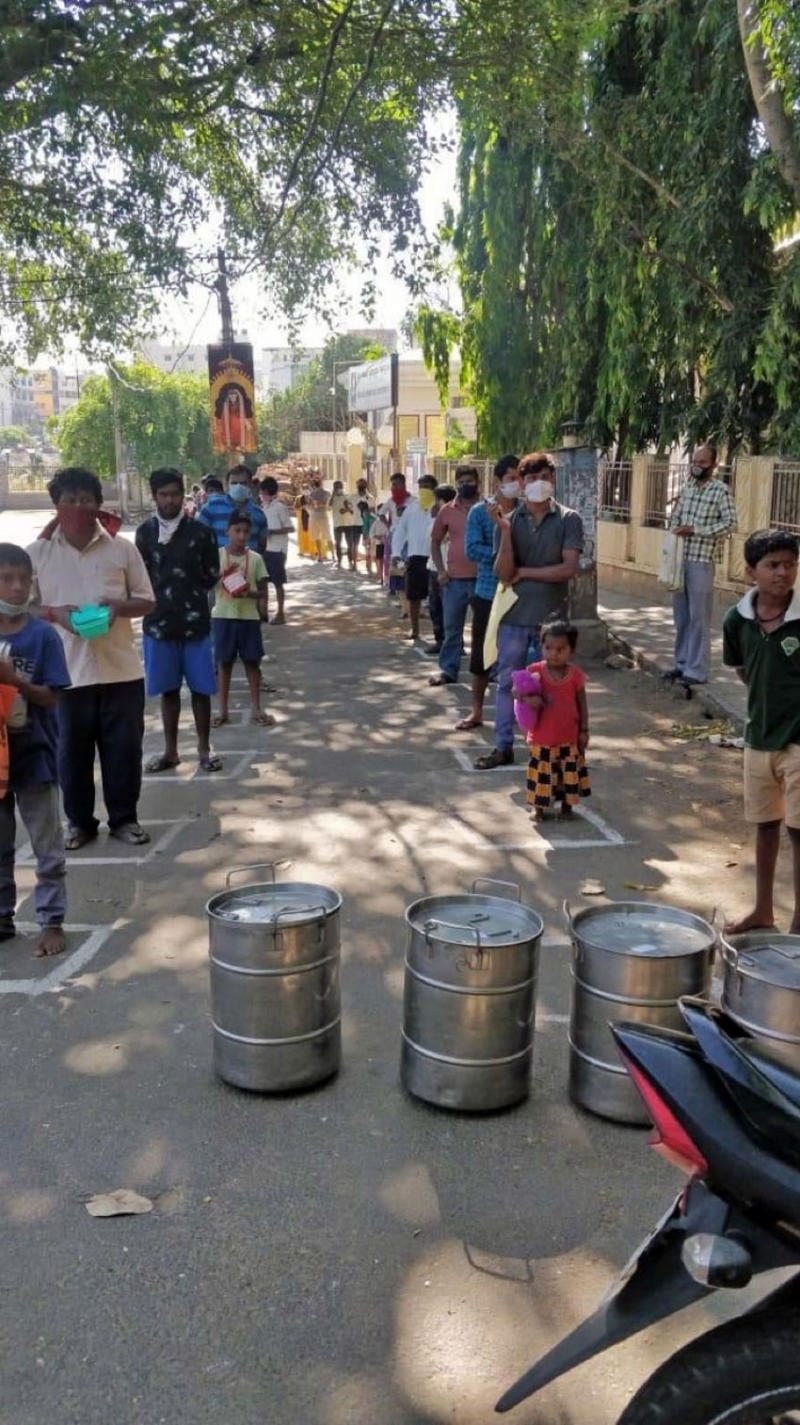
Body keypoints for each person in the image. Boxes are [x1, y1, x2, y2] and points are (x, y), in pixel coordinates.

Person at [28, 466, 155, 849]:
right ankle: (79, 823)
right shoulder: (38, 553)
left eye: (86, 500)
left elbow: (147, 600)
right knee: (71, 756)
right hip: (65, 674)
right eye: (69, 500)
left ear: (99, 504)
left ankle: (125, 820)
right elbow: (22, 607)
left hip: (121, 671)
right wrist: (54, 613)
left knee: (124, 752)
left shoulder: (121, 548)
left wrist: (118, 607)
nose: (78, 507)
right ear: (57, 505)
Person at [475, 453, 583, 769]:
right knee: (508, 682)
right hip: (514, 616)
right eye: (532, 478)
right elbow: (505, 573)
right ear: (521, 483)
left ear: (554, 480)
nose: (539, 484)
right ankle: (503, 746)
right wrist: (506, 532)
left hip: (552, 620)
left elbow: (568, 569)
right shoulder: (508, 521)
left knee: (553, 684)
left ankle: (551, 746)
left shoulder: (568, 519)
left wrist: (526, 572)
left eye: (545, 477)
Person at [722, 529, 800, 934]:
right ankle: (763, 910)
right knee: (766, 824)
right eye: (773, 565)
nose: (783, 573)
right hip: (759, 736)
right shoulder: (736, 620)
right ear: (751, 571)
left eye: (790, 564)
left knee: (799, 831)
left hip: (798, 741)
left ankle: (799, 925)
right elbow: (743, 670)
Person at [0, 543, 70, 957]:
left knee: (47, 845)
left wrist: (16, 682)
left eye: (23, 580)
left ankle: (52, 920)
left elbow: (52, 697)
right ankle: (2, 917)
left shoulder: (42, 636)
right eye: (6, 579)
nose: (16, 587)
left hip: (35, 754)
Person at [135, 467, 221, 774]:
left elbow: (212, 574)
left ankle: (204, 749)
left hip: (195, 625)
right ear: (154, 496)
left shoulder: (201, 532)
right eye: (163, 495)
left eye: (174, 494)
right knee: (168, 691)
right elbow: (139, 576)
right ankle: (170, 752)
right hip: (158, 626)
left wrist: (188, 592)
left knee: (201, 690)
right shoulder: (144, 533)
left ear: (183, 495)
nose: (170, 500)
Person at [664, 444, 737, 688]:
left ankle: (697, 670)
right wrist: (675, 529)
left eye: (702, 463)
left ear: (714, 465)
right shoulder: (687, 487)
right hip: (680, 559)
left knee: (699, 617)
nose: (697, 466)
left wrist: (696, 530)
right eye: (695, 462)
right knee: (681, 616)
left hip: (702, 560)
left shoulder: (721, 491)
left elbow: (730, 523)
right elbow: (676, 517)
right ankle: (682, 664)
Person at [460, 454, 521, 731]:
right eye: (511, 478)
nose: (517, 483)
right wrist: (503, 556)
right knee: (482, 656)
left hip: (519, 593)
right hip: (487, 592)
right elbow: (472, 549)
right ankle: (477, 710)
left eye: (520, 478)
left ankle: (521, 713)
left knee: (519, 655)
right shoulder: (480, 513)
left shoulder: (525, 512)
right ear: (498, 480)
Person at [520, 620, 590, 821]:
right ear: (541, 647)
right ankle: (538, 809)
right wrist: (527, 699)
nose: (554, 654)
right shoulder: (534, 671)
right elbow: (516, 691)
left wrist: (584, 730)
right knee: (541, 775)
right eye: (548, 648)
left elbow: (582, 704)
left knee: (568, 774)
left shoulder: (576, 676)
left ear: (571, 650)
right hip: (542, 736)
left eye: (561, 649)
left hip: (569, 736)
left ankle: (567, 808)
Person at [212, 511, 274, 727]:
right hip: (223, 617)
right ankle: (223, 710)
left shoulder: (255, 559)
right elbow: (206, 583)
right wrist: (222, 575)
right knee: (224, 664)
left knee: (252, 663)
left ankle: (256, 708)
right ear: (227, 531)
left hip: (249, 618)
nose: (241, 536)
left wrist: (249, 593)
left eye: (246, 532)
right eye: (237, 530)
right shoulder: (217, 556)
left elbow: (264, 591)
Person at [429, 464, 480, 685]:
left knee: (485, 629)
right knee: (452, 629)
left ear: (477, 482)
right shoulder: (447, 510)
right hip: (454, 581)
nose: (465, 485)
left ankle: (488, 671)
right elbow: (435, 541)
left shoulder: (488, 508)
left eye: (469, 481)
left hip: (483, 580)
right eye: (461, 482)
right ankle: (448, 670)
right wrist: (441, 571)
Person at [391, 475, 438, 642]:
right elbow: (400, 531)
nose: (424, 489)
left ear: (434, 488)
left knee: (437, 599)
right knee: (413, 596)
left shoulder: (441, 507)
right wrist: (396, 553)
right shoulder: (411, 508)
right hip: (415, 556)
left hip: (436, 558)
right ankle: (415, 629)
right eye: (422, 486)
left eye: (428, 486)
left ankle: (439, 634)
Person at [198, 464, 267, 552]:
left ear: (250, 485)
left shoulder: (258, 514)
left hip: (248, 560)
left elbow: (262, 544)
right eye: (234, 483)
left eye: (243, 483)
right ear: (227, 485)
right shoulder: (211, 508)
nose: (238, 486)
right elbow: (199, 538)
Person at [424, 484, 456, 656]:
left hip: (448, 569)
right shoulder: (437, 517)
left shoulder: (454, 517)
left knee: (448, 608)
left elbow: (437, 538)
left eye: (436, 500)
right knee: (435, 606)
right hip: (435, 566)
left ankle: (451, 642)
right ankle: (441, 640)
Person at [259, 477, 293, 623]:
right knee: (263, 582)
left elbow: (290, 528)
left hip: (278, 550)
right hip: (264, 549)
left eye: (263, 492)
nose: (261, 495)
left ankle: (280, 613)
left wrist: (272, 532)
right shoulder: (263, 508)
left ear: (268, 492)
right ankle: (263, 612)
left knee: (278, 583)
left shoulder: (279, 507)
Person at [381, 472, 412, 595]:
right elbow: (381, 513)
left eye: (397, 484)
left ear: (403, 484)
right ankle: (396, 587)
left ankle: (406, 586)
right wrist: (388, 526)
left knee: (407, 561)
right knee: (396, 560)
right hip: (395, 536)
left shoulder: (413, 500)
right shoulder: (391, 501)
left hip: (409, 537)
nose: (394, 487)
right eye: (392, 485)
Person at [330, 481, 361, 571]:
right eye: (336, 487)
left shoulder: (348, 497)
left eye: (339, 486)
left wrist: (346, 509)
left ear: (342, 487)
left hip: (348, 524)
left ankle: (350, 561)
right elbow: (328, 506)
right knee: (338, 543)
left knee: (350, 544)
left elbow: (352, 510)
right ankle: (339, 561)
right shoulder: (332, 498)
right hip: (337, 524)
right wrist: (332, 495)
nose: (338, 488)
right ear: (334, 488)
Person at [307, 472, 332, 562]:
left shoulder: (311, 494)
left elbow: (309, 505)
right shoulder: (327, 493)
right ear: (321, 483)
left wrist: (315, 505)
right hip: (323, 515)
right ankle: (333, 556)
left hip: (314, 516)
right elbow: (329, 504)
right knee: (328, 536)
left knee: (317, 537)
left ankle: (320, 556)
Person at [355, 478, 376, 574]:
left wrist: (366, 510)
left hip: (367, 524)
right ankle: (355, 565)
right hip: (355, 523)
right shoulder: (354, 497)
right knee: (356, 544)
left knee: (369, 546)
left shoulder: (370, 498)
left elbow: (373, 512)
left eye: (362, 484)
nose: (360, 486)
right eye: (359, 484)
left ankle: (369, 566)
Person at [296, 492, 315, 559]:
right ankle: (302, 550)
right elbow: (296, 507)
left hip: (311, 519)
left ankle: (313, 551)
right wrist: (301, 508)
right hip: (302, 520)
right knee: (302, 536)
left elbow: (315, 507)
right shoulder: (298, 498)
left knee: (311, 535)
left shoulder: (312, 497)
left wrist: (308, 508)